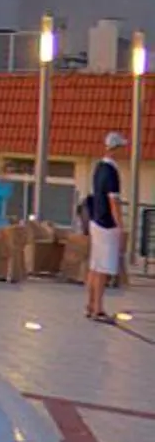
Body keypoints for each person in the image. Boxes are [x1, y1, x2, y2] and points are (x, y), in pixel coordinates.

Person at [84, 133, 127, 322]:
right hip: (107, 224)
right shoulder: (111, 172)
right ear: (116, 148)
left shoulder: (99, 167)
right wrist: (120, 226)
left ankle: (90, 304)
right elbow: (113, 202)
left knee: (94, 266)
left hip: (95, 220)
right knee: (102, 268)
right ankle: (98, 309)